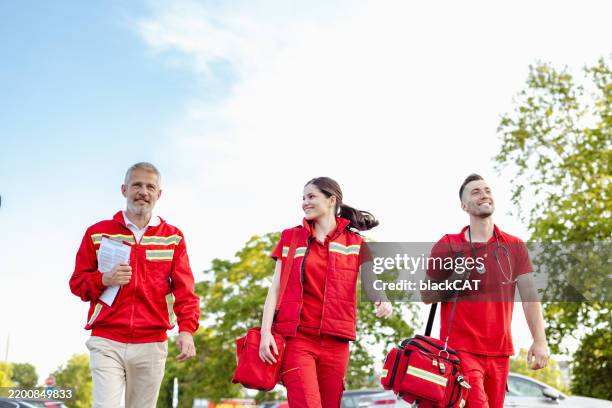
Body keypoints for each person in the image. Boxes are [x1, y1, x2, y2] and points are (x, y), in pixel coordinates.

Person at [69, 162, 200, 408]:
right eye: (137, 185)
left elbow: (185, 290)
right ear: (124, 189)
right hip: (107, 339)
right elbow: (77, 284)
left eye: (150, 186)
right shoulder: (98, 233)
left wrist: (187, 330)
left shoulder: (172, 237)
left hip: (151, 343)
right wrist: (103, 279)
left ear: (159, 194)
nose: (143, 191)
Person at [258, 177, 393, 408]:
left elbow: (371, 282)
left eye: (311, 196)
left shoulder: (356, 242)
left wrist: (383, 299)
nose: (304, 203)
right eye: (303, 198)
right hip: (297, 339)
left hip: (337, 342)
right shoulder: (291, 237)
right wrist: (264, 333)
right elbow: (275, 288)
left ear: (331, 200)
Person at [422, 174, 548, 408]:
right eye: (476, 192)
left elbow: (530, 297)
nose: (484, 195)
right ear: (464, 205)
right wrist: (455, 279)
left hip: (500, 352)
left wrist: (539, 340)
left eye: (487, 190)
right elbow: (426, 296)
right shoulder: (448, 244)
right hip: (461, 350)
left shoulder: (514, 246)